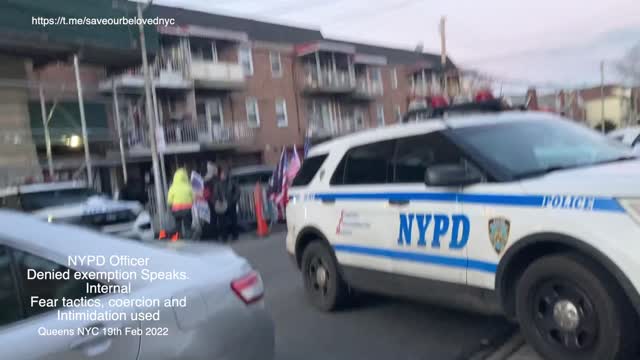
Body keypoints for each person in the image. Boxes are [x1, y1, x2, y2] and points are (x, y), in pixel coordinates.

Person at [167, 168, 193, 239]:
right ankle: (188, 240)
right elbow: (193, 198)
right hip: (187, 210)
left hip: (176, 210)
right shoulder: (188, 187)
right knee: (187, 225)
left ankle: (177, 238)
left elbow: (169, 200)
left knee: (177, 225)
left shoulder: (172, 187)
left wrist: (171, 208)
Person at [219, 167, 240, 242]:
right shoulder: (218, 183)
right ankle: (224, 237)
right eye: (221, 174)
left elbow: (237, 192)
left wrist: (233, 200)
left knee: (233, 220)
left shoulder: (232, 182)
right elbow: (215, 193)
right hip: (222, 205)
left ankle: (235, 235)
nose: (222, 176)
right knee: (223, 221)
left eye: (223, 174)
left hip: (231, 204)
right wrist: (218, 201)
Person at [203, 162, 221, 240]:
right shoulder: (216, 179)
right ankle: (216, 235)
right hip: (215, 200)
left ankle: (213, 236)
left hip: (208, 201)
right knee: (217, 218)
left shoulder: (205, 179)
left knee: (211, 219)